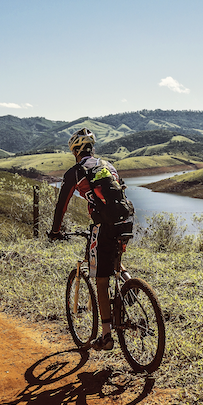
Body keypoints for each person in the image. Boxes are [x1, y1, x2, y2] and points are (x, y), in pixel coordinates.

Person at [49, 128, 134, 351]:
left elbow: (62, 206)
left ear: (75, 152)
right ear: (91, 149)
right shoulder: (108, 165)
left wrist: (55, 231)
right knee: (114, 261)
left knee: (101, 279)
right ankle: (130, 283)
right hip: (126, 221)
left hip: (103, 226)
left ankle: (106, 336)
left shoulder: (75, 172)